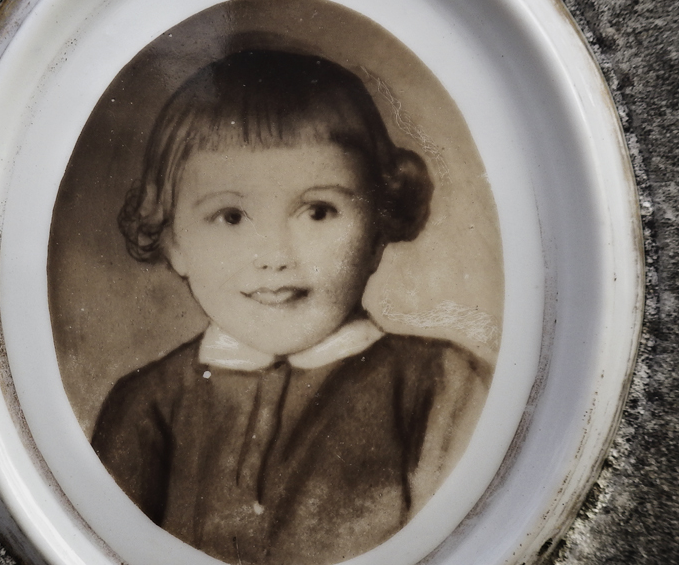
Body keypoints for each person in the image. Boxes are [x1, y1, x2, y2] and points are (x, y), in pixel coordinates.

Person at [92, 49, 491, 565]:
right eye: (231, 217)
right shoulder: (144, 405)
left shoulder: (441, 387)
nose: (275, 256)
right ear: (173, 242)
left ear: (378, 229)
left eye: (318, 211)